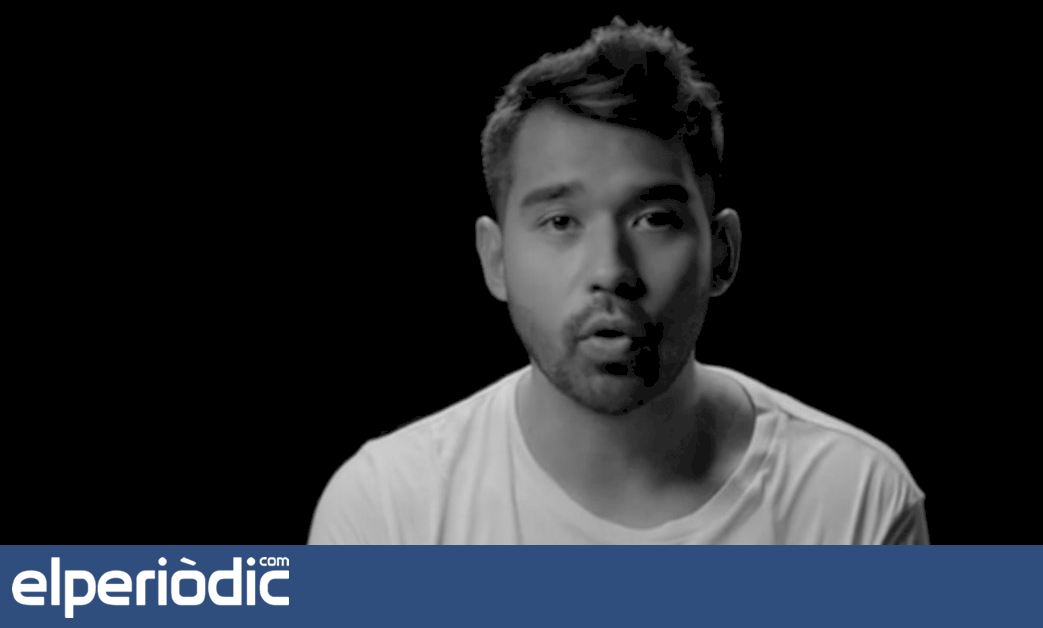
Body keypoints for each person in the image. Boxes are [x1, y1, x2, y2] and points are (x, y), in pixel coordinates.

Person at [309, 19, 928, 544]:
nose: (610, 271)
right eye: (560, 221)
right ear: (495, 260)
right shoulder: (388, 511)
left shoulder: (854, 501)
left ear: (722, 254)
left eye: (654, 219)